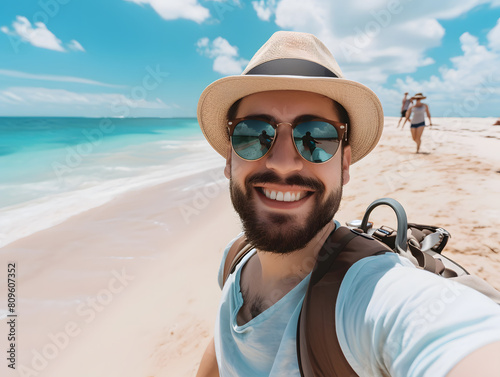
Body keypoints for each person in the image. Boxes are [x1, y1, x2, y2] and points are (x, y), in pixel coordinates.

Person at [196, 31, 500, 376]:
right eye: (253, 134)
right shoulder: (236, 259)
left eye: (316, 137)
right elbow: (225, 345)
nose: (283, 162)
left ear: (344, 164)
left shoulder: (373, 295)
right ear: (228, 158)